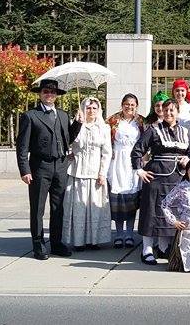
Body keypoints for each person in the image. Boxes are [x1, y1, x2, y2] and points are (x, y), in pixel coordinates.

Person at [16, 78, 82, 260]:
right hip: (40, 166)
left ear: (56, 95)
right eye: (46, 91)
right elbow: (22, 146)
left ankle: (57, 242)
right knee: (37, 208)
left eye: (52, 92)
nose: (49, 95)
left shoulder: (62, 114)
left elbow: (67, 139)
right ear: (40, 93)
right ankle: (38, 245)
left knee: (58, 207)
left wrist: (78, 124)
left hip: (60, 165)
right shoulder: (31, 116)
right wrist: (25, 170)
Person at [132, 99, 190, 265]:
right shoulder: (153, 130)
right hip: (156, 178)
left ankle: (163, 246)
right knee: (151, 212)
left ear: (177, 112)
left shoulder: (185, 131)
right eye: (166, 110)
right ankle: (146, 248)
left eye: (172, 110)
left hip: (176, 178)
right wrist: (139, 170)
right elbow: (137, 150)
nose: (169, 113)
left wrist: (187, 158)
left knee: (170, 212)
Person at [62, 97, 113, 250]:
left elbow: (107, 152)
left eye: (94, 108)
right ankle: (78, 241)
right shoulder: (77, 125)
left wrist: (103, 173)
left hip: (95, 173)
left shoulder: (104, 128)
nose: (91, 111)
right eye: (88, 108)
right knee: (78, 207)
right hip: (77, 172)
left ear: (98, 110)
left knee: (94, 208)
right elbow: (66, 142)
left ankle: (94, 240)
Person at [106, 93, 144, 248]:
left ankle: (129, 233)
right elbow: (104, 138)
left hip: (133, 162)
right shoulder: (113, 120)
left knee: (131, 198)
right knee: (118, 199)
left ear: (136, 106)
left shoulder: (141, 121)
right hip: (117, 161)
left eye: (133, 105)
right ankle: (119, 233)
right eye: (127, 104)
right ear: (122, 105)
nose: (129, 107)